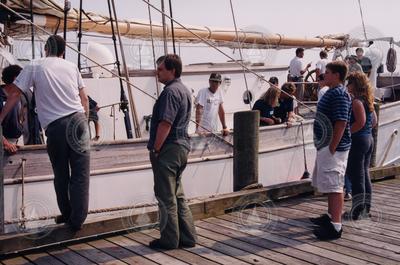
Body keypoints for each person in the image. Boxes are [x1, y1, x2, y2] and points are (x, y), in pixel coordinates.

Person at [0, 35, 90, 231]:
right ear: (63, 52)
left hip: (57, 127)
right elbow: (84, 99)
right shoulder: (71, 66)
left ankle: (68, 216)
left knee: (61, 174)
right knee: (81, 174)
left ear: (45, 49)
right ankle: (77, 220)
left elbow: (15, 94)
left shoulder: (35, 65)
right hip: (79, 122)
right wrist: (85, 123)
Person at [147, 54, 197, 250]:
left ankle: (168, 240)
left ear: (172, 71)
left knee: (166, 196)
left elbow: (165, 123)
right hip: (182, 146)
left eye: (160, 69)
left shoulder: (170, 92)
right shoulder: (184, 90)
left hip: (169, 148)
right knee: (178, 195)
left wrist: (157, 148)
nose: (157, 73)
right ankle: (188, 237)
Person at [310, 61, 351, 240]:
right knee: (328, 182)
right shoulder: (332, 92)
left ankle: (335, 226)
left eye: (327, 72)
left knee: (335, 185)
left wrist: (332, 146)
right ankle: (329, 216)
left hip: (332, 148)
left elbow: (341, 122)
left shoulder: (340, 94)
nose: (323, 75)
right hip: (325, 145)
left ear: (336, 75)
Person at [344, 72, 377, 220]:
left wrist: (347, 133)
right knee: (364, 174)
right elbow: (373, 121)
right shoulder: (368, 100)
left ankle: (356, 211)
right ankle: (366, 208)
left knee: (356, 176)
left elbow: (360, 122)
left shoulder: (356, 101)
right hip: (369, 138)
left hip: (358, 140)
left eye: (349, 83)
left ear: (354, 84)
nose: (347, 86)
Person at [0, 65, 24, 155]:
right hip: (4, 143)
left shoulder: (21, 96)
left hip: (18, 141)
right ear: (15, 79)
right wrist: (5, 143)